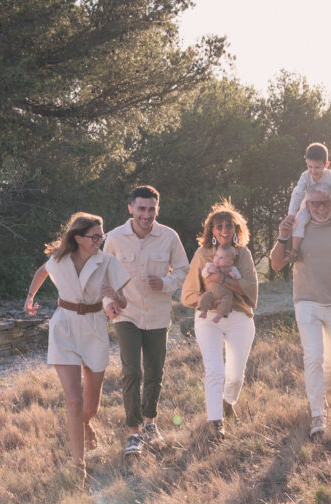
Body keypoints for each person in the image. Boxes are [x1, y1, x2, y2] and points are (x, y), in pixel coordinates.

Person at [24, 212, 130, 470]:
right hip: (64, 327)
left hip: (94, 328)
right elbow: (41, 271)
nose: (100, 240)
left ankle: (86, 423)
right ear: (79, 238)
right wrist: (29, 298)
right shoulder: (59, 259)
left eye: (101, 235)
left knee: (90, 407)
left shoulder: (107, 261)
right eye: (95, 236)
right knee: (74, 401)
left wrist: (114, 296)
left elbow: (124, 302)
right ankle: (78, 464)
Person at [271, 181, 331, 439]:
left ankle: (317, 394)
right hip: (306, 300)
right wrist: (282, 237)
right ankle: (317, 414)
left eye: (325, 203)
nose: (320, 208)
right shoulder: (298, 228)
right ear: (307, 204)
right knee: (313, 356)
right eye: (314, 203)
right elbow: (277, 264)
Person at [103, 185, 189, 455]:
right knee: (132, 372)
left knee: (154, 373)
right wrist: (108, 304)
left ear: (157, 209)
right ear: (131, 208)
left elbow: (184, 271)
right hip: (126, 314)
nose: (146, 214)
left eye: (151, 209)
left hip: (158, 315)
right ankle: (134, 433)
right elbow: (103, 276)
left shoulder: (169, 237)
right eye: (141, 208)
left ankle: (150, 423)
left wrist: (164, 282)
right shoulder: (115, 238)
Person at [182, 200, 259, 440]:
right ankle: (216, 421)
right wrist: (208, 301)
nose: (225, 230)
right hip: (209, 319)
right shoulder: (202, 254)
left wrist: (224, 281)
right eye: (219, 226)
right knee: (215, 370)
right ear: (212, 231)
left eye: (229, 225)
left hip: (239, 317)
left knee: (235, 375)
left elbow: (252, 290)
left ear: (236, 229)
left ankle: (228, 401)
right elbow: (187, 294)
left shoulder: (243, 254)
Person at [286, 142, 331, 260]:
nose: (313, 171)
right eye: (310, 166)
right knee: (299, 221)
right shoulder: (304, 177)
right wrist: (291, 215)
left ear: (326, 165)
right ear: (306, 162)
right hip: (309, 207)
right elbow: (297, 195)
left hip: (329, 207)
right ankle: (294, 250)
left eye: (317, 167)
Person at [197, 243, 242, 322]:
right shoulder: (210, 265)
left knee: (227, 301)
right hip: (211, 292)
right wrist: (208, 270)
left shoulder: (232, 269)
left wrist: (234, 275)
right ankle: (204, 311)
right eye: (216, 256)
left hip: (225, 293)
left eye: (221, 258)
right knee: (204, 297)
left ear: (230, 262)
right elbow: (203, 274)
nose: (217, 259)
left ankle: (220, 315)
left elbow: (238, 277)